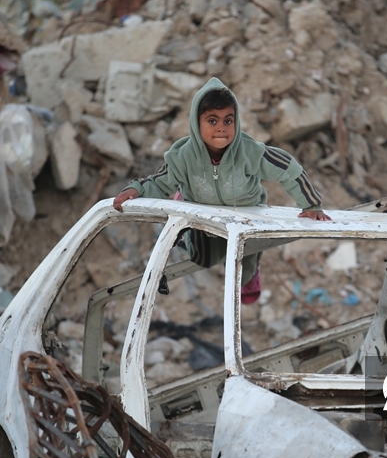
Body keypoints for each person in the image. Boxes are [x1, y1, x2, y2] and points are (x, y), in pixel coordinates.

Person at [113, 77, 330, 303]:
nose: (221, 128)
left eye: (228, 121)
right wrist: (136, 189)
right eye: (212, 121)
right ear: (197, 124)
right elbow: (159, 182)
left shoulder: (248, 151)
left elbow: (287, 168)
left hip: (247, 214)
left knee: (244, 260)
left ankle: (250, 275)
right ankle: (185, 227)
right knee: (204, 258)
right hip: (203, 212)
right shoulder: (183, 156)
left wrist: (311, 204)